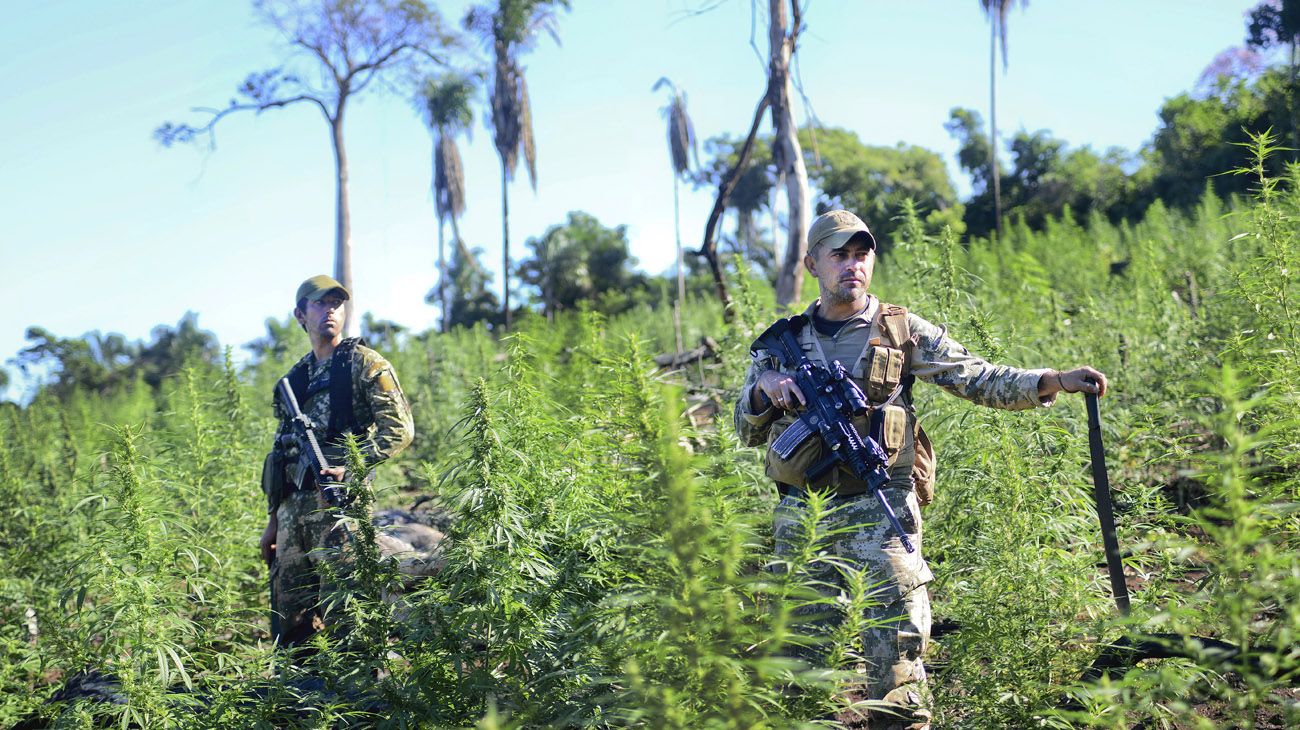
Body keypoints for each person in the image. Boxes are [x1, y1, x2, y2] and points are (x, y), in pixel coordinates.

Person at [733, 210, 1107, 729]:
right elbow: (746, 428)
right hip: (803, 519)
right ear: (812, 263)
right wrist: (764, 390)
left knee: (899, 661)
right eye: (838, 255)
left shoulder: (901, 331)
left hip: (881, 512)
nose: (852, 265)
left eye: (861, 254)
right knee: (796, 663)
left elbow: (976, 376)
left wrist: (1053, 381)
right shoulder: (781, 343)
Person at [260, 274, 415, 648]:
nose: (330, 310)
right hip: (292, 513)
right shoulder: (293, 381)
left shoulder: (365, 363)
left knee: (348, 609)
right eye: (320, 303)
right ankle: (298, 700)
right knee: (289, 616)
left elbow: (401, 429)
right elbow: (283, 454)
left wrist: (354, 465)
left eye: (336, 303)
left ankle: (361, 697)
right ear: (300, 314)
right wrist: (273, 522)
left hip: (339, 505)